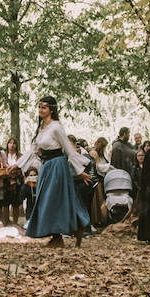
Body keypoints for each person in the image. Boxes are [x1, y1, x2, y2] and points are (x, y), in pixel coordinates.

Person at [19, 96, 91, 247]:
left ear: (51, 109)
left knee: (53, 201)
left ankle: (61, 234)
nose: (40, 110)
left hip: (57, 166)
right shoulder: (41, 128)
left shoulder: (56, 127)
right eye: (39, 107)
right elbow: (33, 150)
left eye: (44, 107)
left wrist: (79, 171)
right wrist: (17, 166)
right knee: (47, 201)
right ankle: (63, 233)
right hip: (46, 167)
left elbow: (68, 149)